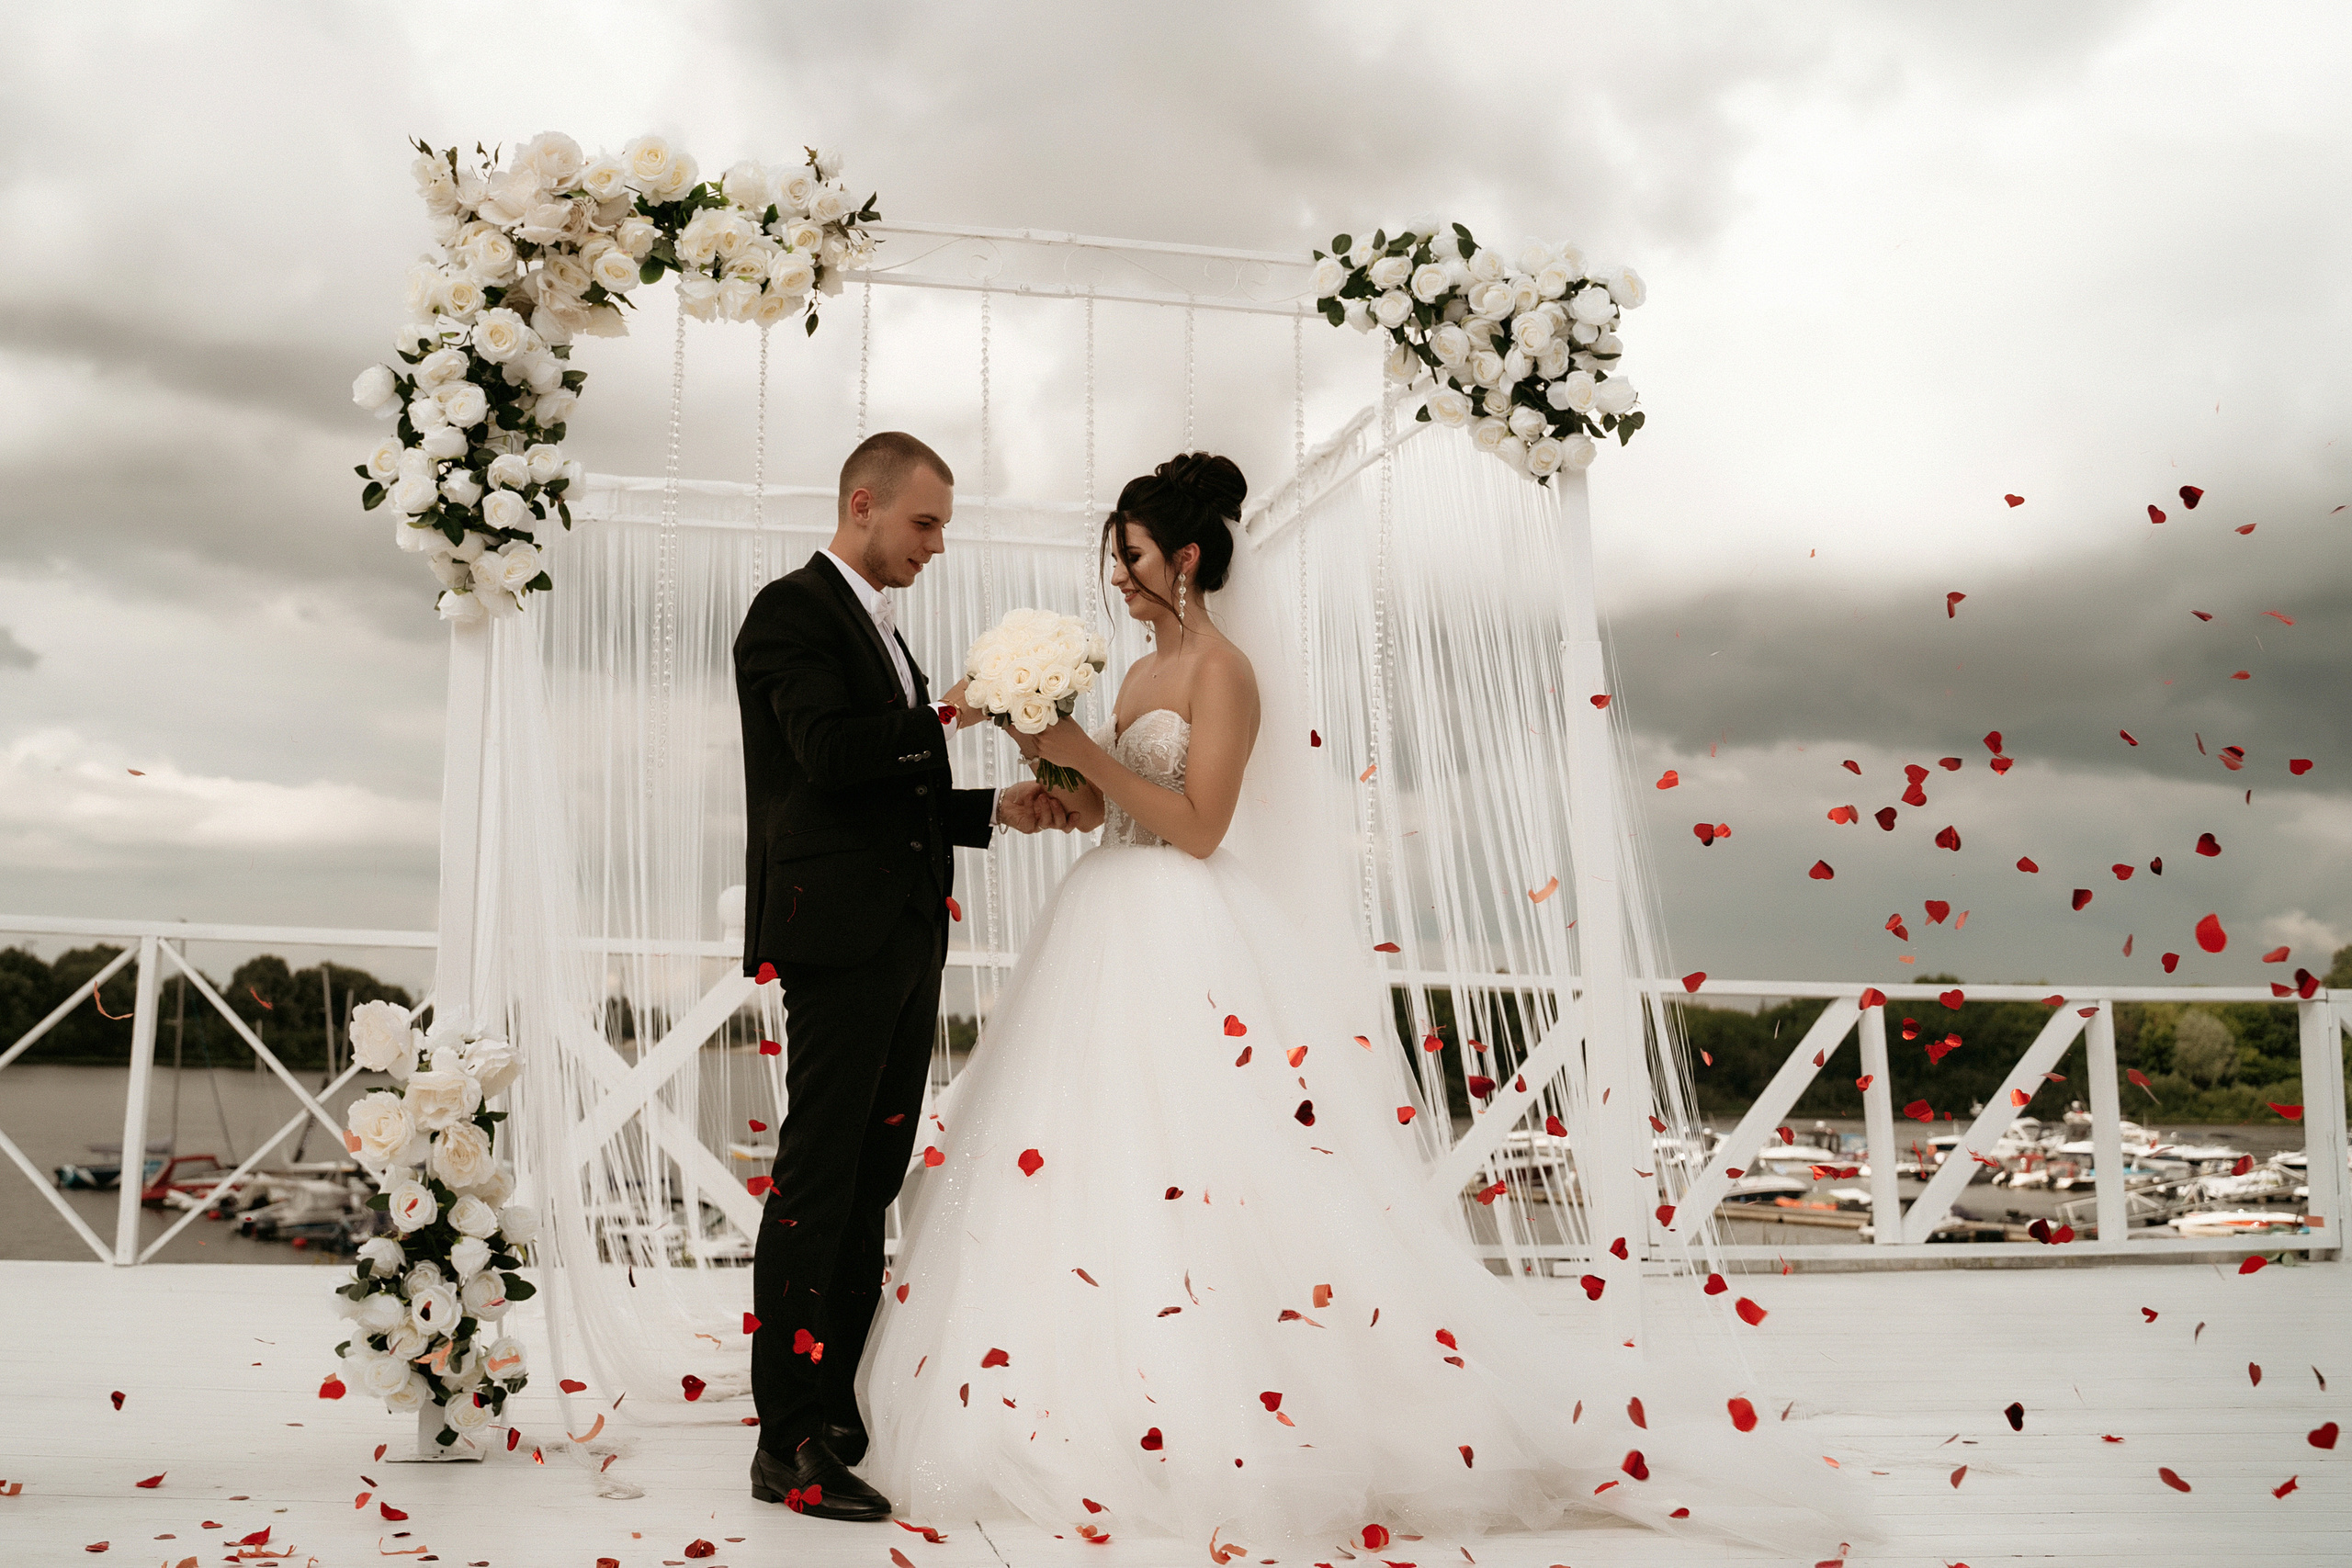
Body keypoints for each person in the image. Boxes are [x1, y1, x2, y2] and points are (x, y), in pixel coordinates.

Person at [855, 453, 1871, 1557]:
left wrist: (1083, 751)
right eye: (1115, 557)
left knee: (1204, 1163)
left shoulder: (1225, 672)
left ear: (1185, 557)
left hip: (1178, 926)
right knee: (1091, 1156)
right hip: (1102, 914)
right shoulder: (1140, 670)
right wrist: (1044, 754)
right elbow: (1113, 804)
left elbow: (1198, 826)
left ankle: (1220, 1394)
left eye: (1131, 555)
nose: (1116, 577)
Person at [732, 431, 1070, 1521]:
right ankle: (785, 1440)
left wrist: (991, 811)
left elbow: (884, 798)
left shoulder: (887, 634)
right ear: (863, 505)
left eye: (942, 528)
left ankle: (836, 1406)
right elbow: (830, 756)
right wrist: (953, 711)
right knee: (818, 1179)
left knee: (871, 1180)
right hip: (838, 939)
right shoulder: (789, 612)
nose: (936, 545)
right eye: (925, 524)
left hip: (904, 934)